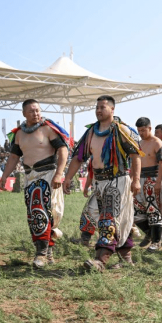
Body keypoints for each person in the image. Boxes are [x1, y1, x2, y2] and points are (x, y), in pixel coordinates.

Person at [63, 95, 143, 271]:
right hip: (99, 183)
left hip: (118, 180)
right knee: (112, 218)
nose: (99, 110)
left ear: (112, 109)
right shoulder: (91, 132)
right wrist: (68, 178)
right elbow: (78, 157)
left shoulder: (123, 130)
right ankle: (127, 259)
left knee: (109, 218)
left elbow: (136, 156)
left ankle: (101, 259)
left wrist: (136, 180)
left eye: (103, 107)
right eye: (97, 107)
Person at [0, 99, 69, 268]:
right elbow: (14, 157)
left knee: (43, 211)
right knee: (35, 215)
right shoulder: (19, 134)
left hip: (47, 174)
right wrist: (4, 176)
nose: (36, 113)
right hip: (29, 177)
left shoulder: (48, 129)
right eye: (31, 111)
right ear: (24, 113)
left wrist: (59, 173)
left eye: (38, 110)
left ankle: (41, 254)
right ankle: (46, 251)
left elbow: (63, 149)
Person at [133, 117, 162, 253]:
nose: (141, 133)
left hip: (153, 179)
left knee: (153, 210)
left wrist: (158, 182)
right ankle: (149, 233)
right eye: (139, 130)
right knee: (135, 210)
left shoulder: (157, 142)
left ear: (149, 128)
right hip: (140, 179)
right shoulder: (139, 143)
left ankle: (156, 241)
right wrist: (133, 180)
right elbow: (135, 163)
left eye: (143, 130)